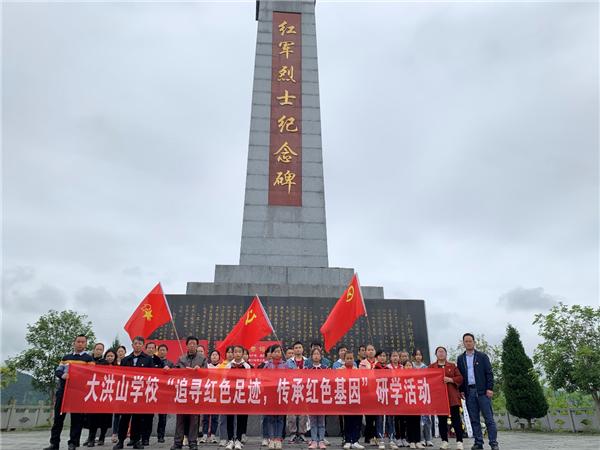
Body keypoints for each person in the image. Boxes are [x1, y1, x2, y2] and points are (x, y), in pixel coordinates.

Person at [44, 334, 94, 450]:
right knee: (58, 419)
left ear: (86, 344)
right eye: (78, 341)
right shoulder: (66, 357)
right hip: (64, 391)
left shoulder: (89, 359)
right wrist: (63, 375)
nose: (80, 344)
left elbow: (91, 375)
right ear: (74, 343)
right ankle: (54, 443)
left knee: (77, 420)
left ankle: (73, 443)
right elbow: (58, 371)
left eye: (83, 342)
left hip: (78, 393)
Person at [456, 334, 499, 450]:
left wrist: (490, 388)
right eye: (466, 341)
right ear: (463, 343)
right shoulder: (460, 359)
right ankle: (478, 442)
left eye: (470, 341)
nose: (468, 343)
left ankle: (493, 443)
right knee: (474, 419)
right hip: (469, 391)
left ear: (474, 342)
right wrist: (461, 390)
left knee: (489, 418)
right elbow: (460, 376)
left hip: (483, 391)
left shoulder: (482, 356)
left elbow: (489, 373)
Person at [114, 336, 155, 450]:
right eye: (135, 343)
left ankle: (136, 440)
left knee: (138, 418)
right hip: (127, 394)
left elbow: (152, 376)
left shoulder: (148, 359)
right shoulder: (125, 360)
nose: (137, 345)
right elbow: (120, 376)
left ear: (143, 346)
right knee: (124, 419)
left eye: (140, 344)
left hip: (140, 393)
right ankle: (120, 441)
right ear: (132, 345)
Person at [171, 336, 206, 450]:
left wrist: (199, 370)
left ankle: (192, 442)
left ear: (197, 345)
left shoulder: (202, 359)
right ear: (186, 345)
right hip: (183, 392)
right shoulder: (181, 359)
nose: (192, 345)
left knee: (194, 419)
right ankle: (178, 442)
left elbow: (206, 374)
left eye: (194, 344)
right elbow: (176, 372)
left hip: (195, 392)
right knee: (180, 418)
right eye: (190, 343)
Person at [430, 346, 463, 450]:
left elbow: (460, 378)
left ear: (446, 354)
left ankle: (459, 441)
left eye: (442, 352)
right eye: (439, 352)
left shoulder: (452, 366)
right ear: (436, 354)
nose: (441, 353)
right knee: (442, 421)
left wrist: (451, 379)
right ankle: (444, 441)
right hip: (439, 398)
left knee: (456, 420)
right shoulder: (431, 367)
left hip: (452, 397)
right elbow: (428, 380)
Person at [86, 344, 113, 447]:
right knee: (92, 418)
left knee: (104, 418)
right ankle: (91, 438)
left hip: (104, 393)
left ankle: (102, 437)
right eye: (97, 349)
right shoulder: (88, 361)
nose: (98, 351)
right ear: (94, 350)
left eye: (101, 349)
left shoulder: (105, 363)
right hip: (92, 393)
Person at [225, 345, 251, 450]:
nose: (237, 354)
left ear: (243, 353)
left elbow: (249, 380)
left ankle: (239, 440)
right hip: (230, 395)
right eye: (235, 352)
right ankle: (230, 439)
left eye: (240, 352)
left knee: (240, 418)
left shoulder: (247, 366)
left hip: (242, 395)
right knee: (229, 418)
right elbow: (225, 380)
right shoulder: (228, 366)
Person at [264, 344, 287, 449]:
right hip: (270, 395)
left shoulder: (285, 365)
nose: (277, 353)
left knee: (280, 418)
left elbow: (289, 379)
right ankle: (271, 438)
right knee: (270, 418)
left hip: (282, 394)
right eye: (275, 351)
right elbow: (263, 379)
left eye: (279, 351)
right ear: (271, 354)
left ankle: (278, 439)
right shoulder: (267, 365)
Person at [285, 341, 309, 443]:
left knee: (303, 413)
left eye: (299, 347)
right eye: (296, 348)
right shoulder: (288, 362)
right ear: (293, 350)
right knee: (292, 413)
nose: (298, 349)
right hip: (292, 389)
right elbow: (285, 376)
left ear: (302, 349)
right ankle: (293, 433)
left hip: (304, 389)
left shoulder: (307, 361)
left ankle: (302, 433)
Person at [141, 341, 164, 446]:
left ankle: (147, 438)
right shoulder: (142, 358)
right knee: (142, 417)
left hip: (154, 391)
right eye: (148, 347)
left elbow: (163, 374)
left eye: (152, 348)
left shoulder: (158, 360)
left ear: (155, 349)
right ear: (146, 349)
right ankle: (139, 437)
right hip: (141, 391)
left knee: (153, 416)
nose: (150, 349)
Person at [340, 352, 363, 450]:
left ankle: (356, 440)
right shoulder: (340, 370)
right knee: (348, 420)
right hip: (346, 399)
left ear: (354, 359)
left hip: (356, 398)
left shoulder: (358, 370)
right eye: (347, 358)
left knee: (357, 420)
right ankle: (348, 440)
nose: (349, 360)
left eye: (351, 358)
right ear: (344, 359)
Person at [374, 351, 396, 450]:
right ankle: (381, 439)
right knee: (379, 419)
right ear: (377, 357)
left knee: (390, 419)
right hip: (378, 397)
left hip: (388, 397)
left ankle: (391, 439)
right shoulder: (374, 369)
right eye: (380, 356)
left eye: (384, 356)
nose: (382, 358)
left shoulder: (389, 369)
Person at [307, 347, 328, 449]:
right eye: (314, 354)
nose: (316, 356)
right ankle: (314, 440)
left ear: (321, 356)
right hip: (311, 397)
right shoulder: (308, 369)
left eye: (318, 354)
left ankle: (321, 440)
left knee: (321, 421)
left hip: (322, 397)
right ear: (311, 356)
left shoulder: (325, 368)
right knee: (313, 421)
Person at [413, 349, 433, 448]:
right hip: (414, 393)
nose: (418, 357)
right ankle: (420, 438)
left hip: (424, 392)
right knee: (418, 418)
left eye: (420, 355)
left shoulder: (426, 367)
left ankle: (428, 438)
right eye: (416, 355)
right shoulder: (411, 366)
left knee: (427, 417)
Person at [402, 359, 424, 449]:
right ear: (403, 367)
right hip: (406, 402)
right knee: (409, 422)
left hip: (416, 402)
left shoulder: (416, 376)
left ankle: (418, 441)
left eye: (410, 365)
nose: (408, 367)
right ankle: (411, 441)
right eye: (406, 365)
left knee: (416, 421)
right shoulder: (401, 377)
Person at [201, 350, 221, 444]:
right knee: (205, 416)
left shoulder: (222, 367)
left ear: (219, 357)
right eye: (212, 354)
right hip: (207, 394)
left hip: (217, 395)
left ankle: (213, 435)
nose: (214, 356)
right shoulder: (206, 366)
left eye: (216, 355)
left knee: (215, 417)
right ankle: (204, 435)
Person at [359, 344, 378, 445]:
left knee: (376, 417)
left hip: (377, 392)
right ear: (365, 352)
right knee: (368, 417)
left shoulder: (378, 363)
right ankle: (368, 437)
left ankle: (375, 436)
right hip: (367, 392)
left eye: (372, 349)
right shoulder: (362, 363)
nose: (370, 351)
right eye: (368, 350)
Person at [156, 344, 174, 444]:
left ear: (167, 352)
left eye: (164, 350)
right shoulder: (153, 361)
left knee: (162, 417)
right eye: (160, 350)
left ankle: (161, 435)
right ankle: (144, 436)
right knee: (148, 416)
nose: (162, 352)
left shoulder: (170, 363)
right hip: (153, 391)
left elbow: (174, 375)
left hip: (164, 393)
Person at [218, 346, 235, 447]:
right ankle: (223, 438)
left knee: (234, 419)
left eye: (231, 352)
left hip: (234, 395)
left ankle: (233, 437)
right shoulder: (221, 366)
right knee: (223, 418)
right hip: (223, 394)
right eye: (228, 352)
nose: (229, 354)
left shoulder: (236, 365)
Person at [258, 346, 273, 447]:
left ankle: (273, 437)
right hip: (265, 393)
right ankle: (265, 437)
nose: (271, 354)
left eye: (274, 352)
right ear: (266, 354)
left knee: (275, 417)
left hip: (276, 394)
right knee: (265, 417)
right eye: (270, 352)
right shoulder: (262, 366)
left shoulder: (280, 365)